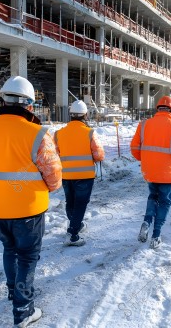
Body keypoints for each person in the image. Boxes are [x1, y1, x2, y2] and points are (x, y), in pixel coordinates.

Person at [0, 76, 62, 328]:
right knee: (28, 256)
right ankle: (23, 309)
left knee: (9, 250)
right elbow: (53, 174)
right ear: (29, 105)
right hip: (27, 209)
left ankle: (13, 291)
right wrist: (45, 187)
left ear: (3, 101)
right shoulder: (38, 133)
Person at [130, 95, 171, 249]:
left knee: (152, 197)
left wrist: (145, 159)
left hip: (150, 170)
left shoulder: (144, 124)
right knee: (164, 201)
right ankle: (156, 235)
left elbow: (134, 147)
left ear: (158, 108)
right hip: (168, 172)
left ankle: (147, 221)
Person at [54, 100, 105, 246]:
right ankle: (73, 233)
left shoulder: (58, 134)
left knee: (71, 202)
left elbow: (54, 154)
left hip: (66, 175)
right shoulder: (89, 133)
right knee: (81, 203)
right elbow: (99, 155)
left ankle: (76, 225)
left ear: (70, 115)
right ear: (86, 115)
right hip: (85, 176)